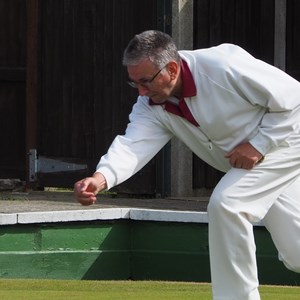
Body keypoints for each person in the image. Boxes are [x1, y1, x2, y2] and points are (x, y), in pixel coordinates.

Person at [74, 30, 300, 299]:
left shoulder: (222, 66)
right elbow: (133, 145)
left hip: (289, 140)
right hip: (257, 162)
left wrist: (258, 145)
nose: (142, 92)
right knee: (296, 251)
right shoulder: (151, 104)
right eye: (135, 84)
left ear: (171, 69)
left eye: (146, 81)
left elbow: (294, 98)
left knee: (228, 204)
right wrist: (100, 178)